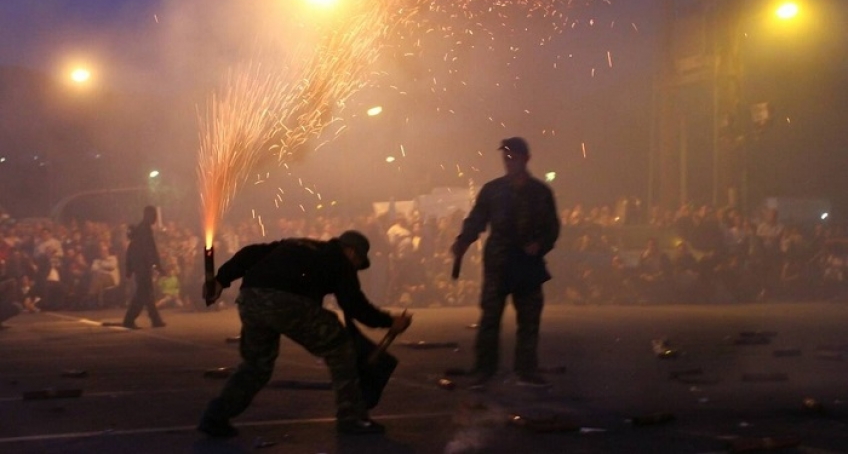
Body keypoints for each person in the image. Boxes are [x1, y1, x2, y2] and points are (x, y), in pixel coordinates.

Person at [198, 230, 413, 438]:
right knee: (340, 347)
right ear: (352, 252)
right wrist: (390, 322)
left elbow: (250, 253)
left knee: (256, 365)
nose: (356, 268)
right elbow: (354, 304)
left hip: (250, 299)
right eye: (359, 263)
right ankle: (352, 417)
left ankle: (216, 416)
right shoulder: (340, 260)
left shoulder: (296, 244)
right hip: (287, 301)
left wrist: (220, 280)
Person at [451, 137, 560, 389]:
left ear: (525, 158)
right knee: (490, 319)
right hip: (499, 263)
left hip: (528, 264)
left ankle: (526, 370)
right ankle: (484, 369)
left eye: (513, 157)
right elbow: (477, 219)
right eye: (506, 158)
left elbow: (552, 228)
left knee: (529, 320)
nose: (509, 162)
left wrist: (540, 245)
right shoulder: (492, 190)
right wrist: (463, 241)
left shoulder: (540, 192)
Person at [122, 206, 166, 329]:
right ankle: (129, 319)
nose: (155, 219)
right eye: (154, 216)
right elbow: (150, 250)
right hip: (142, 268)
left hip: (140, 267)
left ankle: (155, 319)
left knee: (147, 294)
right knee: (142, 294)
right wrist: (158, 266)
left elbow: (132, 249)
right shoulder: (144, 230)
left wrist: (129, 268)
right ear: (149, 215)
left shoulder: (141, 229)